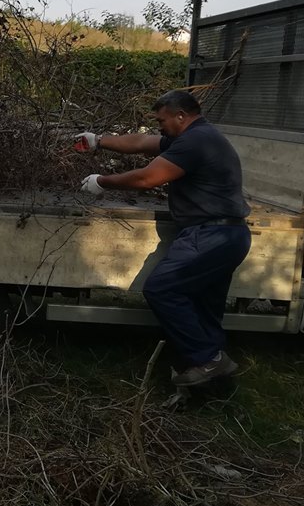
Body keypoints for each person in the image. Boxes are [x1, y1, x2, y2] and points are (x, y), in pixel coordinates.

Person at [74, 89, 251, 387]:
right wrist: (99, 141)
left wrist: (102, 182)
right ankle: (212, 377)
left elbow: (147, 178)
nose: (159, 126)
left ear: (181, 116)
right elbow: (141, 143)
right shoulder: (194, 135)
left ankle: (208, 360)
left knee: (162, 289)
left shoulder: (195, 142)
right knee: (205, 305)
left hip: (211, 235)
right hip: (227, 235)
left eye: (161, 120)